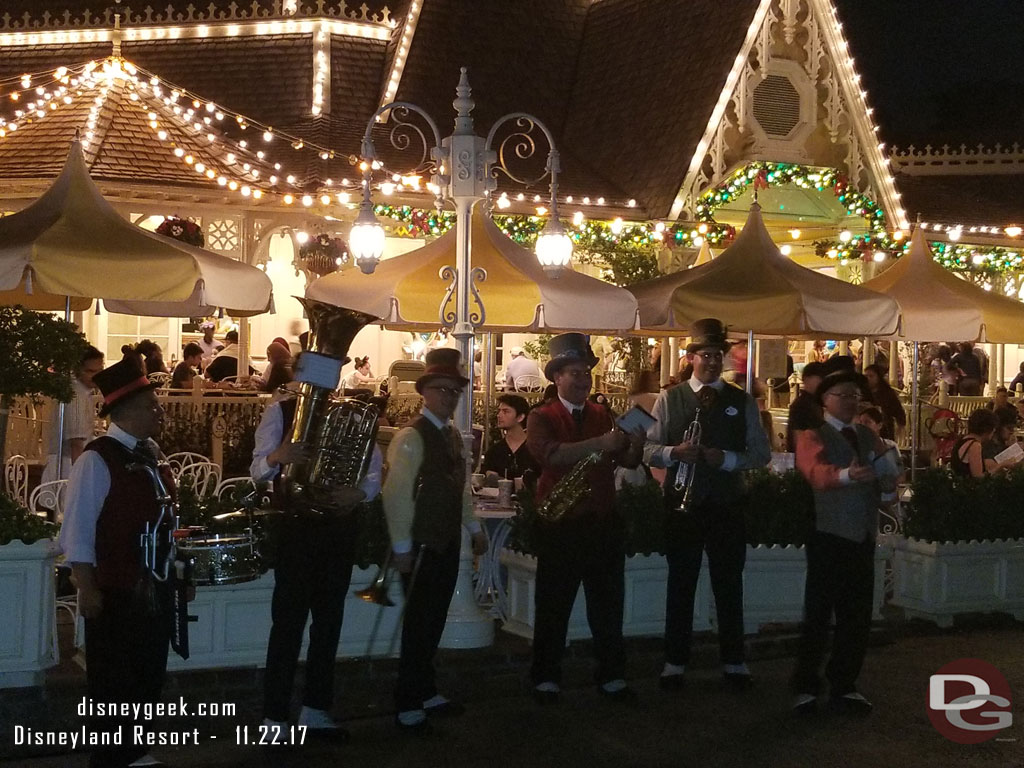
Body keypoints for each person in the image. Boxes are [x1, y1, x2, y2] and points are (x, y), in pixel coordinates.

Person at [251, 353, 383, 740]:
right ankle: (274, 715)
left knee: (329, 623)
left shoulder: (353, 414)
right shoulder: (281, 411)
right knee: (288, 624)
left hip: (338, 528)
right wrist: (279, 456)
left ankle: (315, 708)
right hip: (296, 528)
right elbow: (257, 470)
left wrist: (358, 491)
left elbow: (373, 467)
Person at [58, 354, 179, 767]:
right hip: (116, 585)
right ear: (126, 411)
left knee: (148, 669)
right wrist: (86, 586)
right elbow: (78, 528)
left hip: (154, 580)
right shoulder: (97, 458)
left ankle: (137, 748)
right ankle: (112, 755)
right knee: (114, 675)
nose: (158, 412)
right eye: (151, 406)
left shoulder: (151, 452)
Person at [644, 318, 771, 692]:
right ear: (691, 357)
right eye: (705, 354)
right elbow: (648, 449)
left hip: (726, 502)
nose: (713, 361)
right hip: (682, 503)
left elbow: (761, 453)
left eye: (718, 354)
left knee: (729, 584)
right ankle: (674, 662)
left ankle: (734, 661)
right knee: (680, 584)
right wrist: (673, 452)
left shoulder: (741, 399)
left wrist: (727, 460)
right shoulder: (670, 397)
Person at [527, 333, 645, 704]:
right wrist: (600, 444)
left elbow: (625, 461)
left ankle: (611, 675)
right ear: (556, 377)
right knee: (553, 605)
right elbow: (550, 455)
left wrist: (636, 443)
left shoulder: (602, 414)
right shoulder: (540, 416)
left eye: (586, 373)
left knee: (608, 605)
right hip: (560, 523)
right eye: (574, 372)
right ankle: (546, 677)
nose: (583, 380)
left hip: (601, 522)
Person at [382, 348, 488, 732]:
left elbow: (458, 489)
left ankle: (425, 690)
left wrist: (474, 528)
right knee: (418, 625)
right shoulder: (411, 436)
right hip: (423, 544)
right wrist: (402, 547)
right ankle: (408, 699)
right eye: (442, 389)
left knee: (432, 622)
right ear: (425, 392)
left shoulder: (449, 437)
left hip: (443, 541)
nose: (449, 397)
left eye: (454, 391)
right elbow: (396, 494)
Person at [791, 369, 899, 716]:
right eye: (844, 395)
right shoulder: (814, 435)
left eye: (855, 396)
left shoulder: (868, 436)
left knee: (857, 615)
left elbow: (886, 477)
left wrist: (887, 484)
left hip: (862, 534)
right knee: (819, 614)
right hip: (829, 534)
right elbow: (814, 471)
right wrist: (846, 475)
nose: (851, 402)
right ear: (825, 401)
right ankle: (806, 685)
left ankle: (844, 684)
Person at [43, 345, 104, 483]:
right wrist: (82, 479)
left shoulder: (81, 392)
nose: (97, 376)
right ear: (78, 370)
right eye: (91, 371)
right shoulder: (76, 395)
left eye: (100, 370)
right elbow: (76, 443)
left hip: (67, 464)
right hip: (67, 468)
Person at [481, 394, 538, 481]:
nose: (499, 415)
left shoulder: (535, 450)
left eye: (505, 411)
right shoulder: (494, 451)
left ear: (520, 417)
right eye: (499, 411)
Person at [951, 408, 1015, 478]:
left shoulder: (963, 439)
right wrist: (1001, 465)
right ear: (988, 429)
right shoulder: (974, 445)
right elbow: (978, 477)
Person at [786, 361, 827, 452]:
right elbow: (797, 437)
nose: (822, 382)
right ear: (806, 379)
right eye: (820, 378)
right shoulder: (802, 406)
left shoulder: (815, 403)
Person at [863, 364, 906, 442]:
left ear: (878, 377)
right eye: (866, 376)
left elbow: (898, 410)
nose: (868, 379)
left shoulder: (887, 393)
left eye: (871, 376)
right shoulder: (862, 393)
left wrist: (901, 424)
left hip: (885, 430)